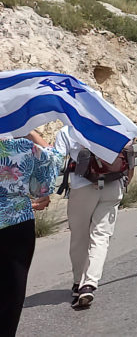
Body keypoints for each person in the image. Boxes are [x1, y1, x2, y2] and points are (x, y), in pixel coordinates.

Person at [53, 126, 133, 309]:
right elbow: (129, 155)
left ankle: (77, 283)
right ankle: (89, 283)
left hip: (83, 187)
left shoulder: (68, 131)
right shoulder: (117, 126)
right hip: (114, 184)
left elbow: (56, 160)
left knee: (79, 236)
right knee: (102, 235)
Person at [0, 130, 64, 334]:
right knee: (11, 294)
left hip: (15, 224)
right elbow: (52, 162)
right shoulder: (18, 145)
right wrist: (29, 132)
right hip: (15, 223)